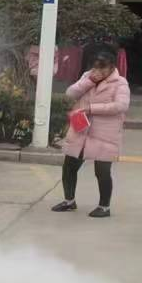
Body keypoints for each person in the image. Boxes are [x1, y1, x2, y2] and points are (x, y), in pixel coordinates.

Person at [52, 51, 131, 218]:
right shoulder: (87, 77)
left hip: (105, 133)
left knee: (102, 171)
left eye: (103, 68)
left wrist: (91, 109)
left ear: (112, 67)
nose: (99, 71)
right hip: (81, 129)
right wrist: (89, 81)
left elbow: (121, 106)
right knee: (69, 166)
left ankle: (104, 206)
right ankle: (69, 201)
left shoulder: (120, 83)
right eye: (96, 67)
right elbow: (70, 93)